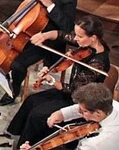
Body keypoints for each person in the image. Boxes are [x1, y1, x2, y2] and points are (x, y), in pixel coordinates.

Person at [8, 16, 110, 146]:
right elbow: (61, 35)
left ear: (93, 38)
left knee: (38, 114)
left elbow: (75, 90)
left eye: (79, 36)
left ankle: (30, 146)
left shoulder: (98, 63)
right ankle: (19, 137)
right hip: (71, 92)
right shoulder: (87, 44)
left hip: (80, 100)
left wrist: (52, 81)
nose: (75, 39)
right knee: (31, 100)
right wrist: (44, 36)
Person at [20, 83, 119, 150]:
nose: (80, 113)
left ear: (98, 113)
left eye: (84, 112)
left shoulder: (94, 144)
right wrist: (61, 113)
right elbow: (84, 106)